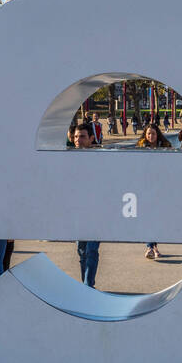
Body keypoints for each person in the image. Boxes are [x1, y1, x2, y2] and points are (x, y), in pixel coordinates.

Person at [71, 122, 101, 286]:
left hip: (96, 212)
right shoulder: (69, 158)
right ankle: (86, 283)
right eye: (76, 137)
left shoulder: (99, 158)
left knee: (91, 249)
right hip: (78, 213)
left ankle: (88, 286)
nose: (78, 140)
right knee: (81, 251)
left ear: (91, 138)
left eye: (82, 137)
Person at [137, 123, 172, 258]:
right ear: (145, 135)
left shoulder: (165, 148)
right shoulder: (140, 148)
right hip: (145, 187)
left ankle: (154, 247)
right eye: (148, 134)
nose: (151, 136)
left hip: (161, 187)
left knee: (157, 219)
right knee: (149, 219)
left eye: (153, 133)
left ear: (158, 135)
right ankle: (150, 248)